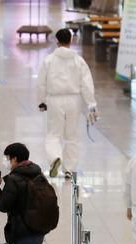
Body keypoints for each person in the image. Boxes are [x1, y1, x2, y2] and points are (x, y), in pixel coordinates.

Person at [37, 28, 98, 179]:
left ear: (56, 41)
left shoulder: (49, 60)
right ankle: (69, 169)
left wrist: (42, 101)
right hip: (74, 100)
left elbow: (41, 83)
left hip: (55, 99)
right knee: (72, 135)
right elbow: (87, 83)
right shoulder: (79, 60)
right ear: (71, 41)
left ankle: (55, 158)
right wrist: (92, 104)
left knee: (53, 134)